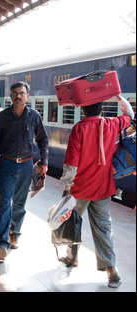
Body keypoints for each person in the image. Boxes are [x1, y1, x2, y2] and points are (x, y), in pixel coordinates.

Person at [59, 95, 134, 288]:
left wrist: (67, 188)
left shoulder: (79, 128)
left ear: (83, 111)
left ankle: (72, 258)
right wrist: (118, 96)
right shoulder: (112, 124)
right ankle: (111, 271)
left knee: (72, 224)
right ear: (101, 109)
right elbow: (130, 114)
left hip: (80, 189)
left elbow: (71, 163)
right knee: (103, 229)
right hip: (103, 187)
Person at [0, 81, 49, 261]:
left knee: (19, 202)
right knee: (3, 202)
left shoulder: (34, 116)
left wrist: (44, 163)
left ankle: (14, 232)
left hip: (26, 164)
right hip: (7, 164)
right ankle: (0, 244)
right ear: (10, 96)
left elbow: (43, 140)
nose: (18, 96)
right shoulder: (1, 117)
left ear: (27, 96)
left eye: (22, 93)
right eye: (15, 93)